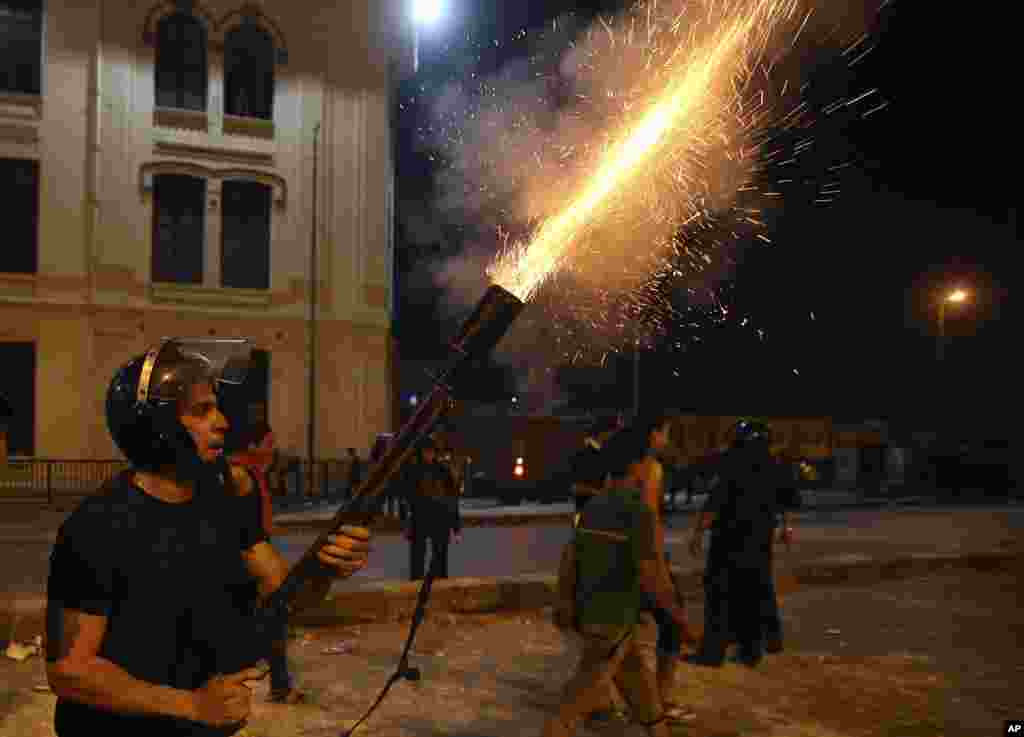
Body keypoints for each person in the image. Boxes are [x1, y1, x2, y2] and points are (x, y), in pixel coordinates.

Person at [45, 338, 372, 736]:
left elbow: (282, 600)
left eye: (216, 407)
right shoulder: (98, 526)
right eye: (202, 411)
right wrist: (191, 704)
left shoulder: (226, 497)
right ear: (157, 425)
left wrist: (325, 568)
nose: (223, 422)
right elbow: (70, 670)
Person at [543, 425, 697, 737]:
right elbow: (654, 574)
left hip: (595, 619)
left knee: (644, 698)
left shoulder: (594, 507)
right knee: (568, 713)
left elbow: (570, 559)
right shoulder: (639, 512)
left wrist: (564, 601)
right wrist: (680, 621)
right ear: (639, 465)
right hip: (612, 624)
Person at [687, 419, 799, 667]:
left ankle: (712, 653)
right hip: (759, 542)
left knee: (719, 595)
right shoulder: (775, 465)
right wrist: (785, 527)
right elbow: (787, 500)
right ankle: (750, 652)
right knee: (753, 594)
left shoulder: (732, 463)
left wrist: (697, 533)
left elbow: (715, 502)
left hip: (728, 541)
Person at [224, 421, 301, 705]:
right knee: (265, 624)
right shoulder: (237, 474)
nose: (273, 450)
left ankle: (279, 685)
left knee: (272, 623)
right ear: (252, 447)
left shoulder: (252, 473)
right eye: (268, 444)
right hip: (246, 562)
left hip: (257, 559)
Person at [629, 412, 692, 721]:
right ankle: (661, 699)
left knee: (623, 631)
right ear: (653, 434)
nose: (667, 440)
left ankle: (633, 701)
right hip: (643, 557)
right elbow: (649, 518)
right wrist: (658, 566)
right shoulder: (652, 470)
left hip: (617, 556)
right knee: (672, 621)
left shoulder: (621, 465)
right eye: (665, 433)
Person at [403, 436, 462, 580]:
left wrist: (456, 526)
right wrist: (407, 523)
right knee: (417, 555)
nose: (428, 455)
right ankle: (416, 582)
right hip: (420, 517)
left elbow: (452, 499)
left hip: (440, 517)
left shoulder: (443, 471)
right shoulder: (414, 471)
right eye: (425, 452)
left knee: (440, 555)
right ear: (421, 453)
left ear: (435, 453)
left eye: (431, 452)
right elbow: (408, 499)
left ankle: (441, 582)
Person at [568, 416, 621, 527]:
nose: (614, 436)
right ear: (604, 433)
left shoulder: (602, 453)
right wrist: (600, 493)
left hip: (592, 515)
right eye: (613, 433)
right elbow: (575, 487)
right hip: (587, 515)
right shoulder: (585, 453)